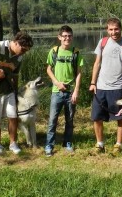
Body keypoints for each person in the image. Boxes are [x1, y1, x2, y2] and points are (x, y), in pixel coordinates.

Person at [89, 18, 122, 154]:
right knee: (97, 117)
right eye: (111, 29)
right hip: (100, 87)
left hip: (118, 89)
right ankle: (100, 144)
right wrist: (93, 83)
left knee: (120, 118)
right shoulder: (102, 42)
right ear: (107, 30)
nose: (114, 32)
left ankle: (119, 144)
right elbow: (97, 64)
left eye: (116, 29)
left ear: (120, 29)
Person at [44, 25, 84, 156]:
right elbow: (49, 69)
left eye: (70, 36)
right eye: (65, 36)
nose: (67, 38)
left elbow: (79, 73)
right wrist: (56, 82)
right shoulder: (54, 51)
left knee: (70, 119)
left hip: (71, 92)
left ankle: (67, 143)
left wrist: (76, 90)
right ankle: (49, 145)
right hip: (56, 92)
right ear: (59, 37)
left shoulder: (76, 52)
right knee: (52, 120)